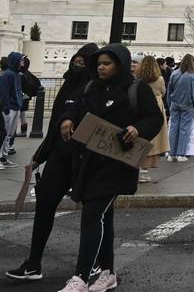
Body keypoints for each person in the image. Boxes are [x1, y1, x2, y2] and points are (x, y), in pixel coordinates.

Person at [55, 43, 164, 292]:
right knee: (103, 217)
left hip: (117, 162)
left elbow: (153, 118)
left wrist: (138, 129)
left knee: (92, 214)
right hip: (90, 161)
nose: (101, 67)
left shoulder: (137, 89)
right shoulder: (92, 87)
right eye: (99, 63)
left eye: (107, 63)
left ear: (120, 65)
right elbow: (75, 107)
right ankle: (108, 273)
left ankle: (81, 277)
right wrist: (68, 118)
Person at [7, 45, 98, 282]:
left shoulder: (93, 88)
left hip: (83, 158)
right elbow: (56, 125)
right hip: (59, 154)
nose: (77, 65)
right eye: (75, 61)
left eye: (82, 62)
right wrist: (40, 155)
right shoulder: (67, 85)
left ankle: (91, 267)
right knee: (45, 205)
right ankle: (34, 262)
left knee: (93, 215)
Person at [135, 56, 168, 181]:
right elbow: (163, 92)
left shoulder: (138, 77)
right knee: (154, 139)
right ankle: (145, 170)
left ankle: (137, 167)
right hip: (156, 106)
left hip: (140, 106)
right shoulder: (159, 79)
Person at [166, 55, 194, 162]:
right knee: (184, 129)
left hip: (174, 104)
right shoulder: (193, 76)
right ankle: (181, 154)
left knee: (173, 129)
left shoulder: (174, 73)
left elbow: (169, 91)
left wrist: (169, 104)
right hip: (188, 105)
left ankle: (171, 153)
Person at [0, 52, 23, 164]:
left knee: (9, 135)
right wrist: (6, 108)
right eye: (21, 60)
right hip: (9, 109)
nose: (23, 62)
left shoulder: (16, 74)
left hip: (15, 107)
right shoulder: (8, 74)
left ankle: (4, 157)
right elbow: (4, 93)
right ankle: (1, 158)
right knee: (4, 134)